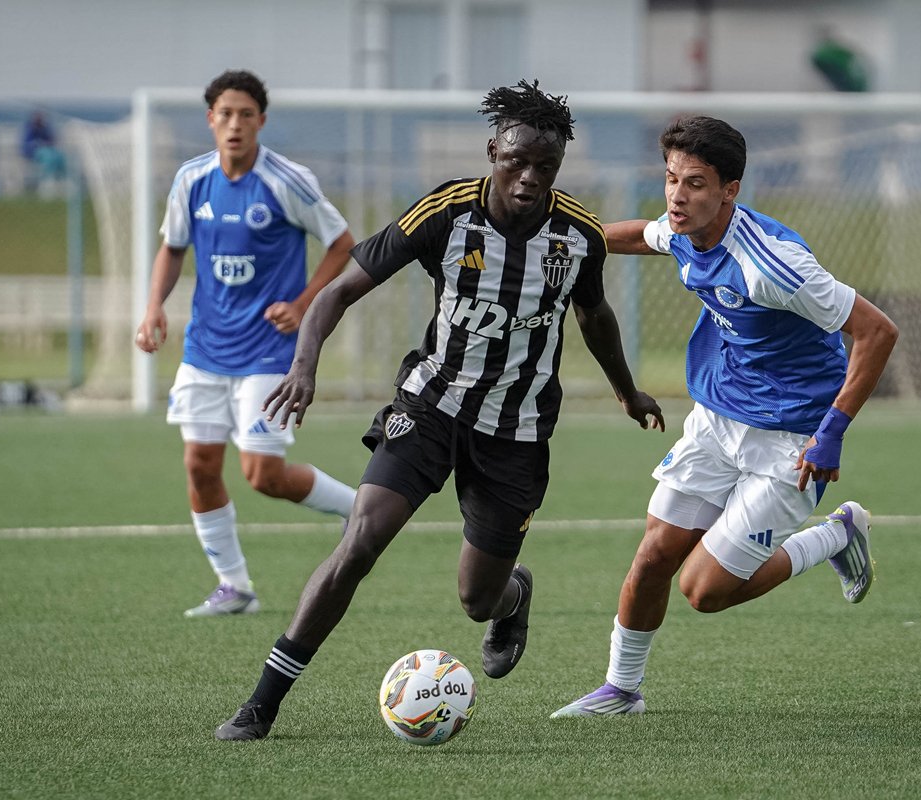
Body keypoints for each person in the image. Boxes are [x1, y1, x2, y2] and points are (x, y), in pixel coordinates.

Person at [213, 79, 665, 741]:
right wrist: (303, 366)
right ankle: (262, 702)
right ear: (492, 150)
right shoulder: (446, 214)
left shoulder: (578, 237)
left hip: (516, 431)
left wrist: (627, 391)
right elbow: (340, 291)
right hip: (431, 406)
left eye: (546, 167)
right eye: (516, 161)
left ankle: (515, 594)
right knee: (360, 541)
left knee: (477, 599)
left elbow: (594, 315)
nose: (529, 178)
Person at [551, 114, 898, 718]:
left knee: (704, 591)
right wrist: (569, 239)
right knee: (654, 555)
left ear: (729, 191)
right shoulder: (685, 229)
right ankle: (620, 690)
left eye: (696, 184)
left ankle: (838, 534)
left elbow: (876, 332)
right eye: (670, 179)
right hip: (716, 419)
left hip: (791, 435)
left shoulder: (775, 265)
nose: (677, 197)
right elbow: (642, 236)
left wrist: (831, 436)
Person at [134, 70, 358, 618]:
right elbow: (172, 248)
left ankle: (363, 510)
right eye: (225, 114)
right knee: (199, 465)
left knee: (264, 475)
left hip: (268, 350)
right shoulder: (191, 180)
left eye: (246, 115)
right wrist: (153, 306)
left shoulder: (287, 180)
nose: (235, 124)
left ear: (261, 120)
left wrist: (303, 303)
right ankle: (234, 587)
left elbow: (342, 244)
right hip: (206, 350)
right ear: (210, 119)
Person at [21, 110, 66, 197]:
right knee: (48, 157)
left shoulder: (44, 128)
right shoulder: (29, 128)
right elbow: (26, 144)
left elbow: (52, 139)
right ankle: (46, 181)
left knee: (59, 156)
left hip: (48, 151)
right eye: (38, 117)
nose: (40, 120)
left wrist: (47, 141)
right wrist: (39, 143)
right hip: (33, 154)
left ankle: (59, 180)